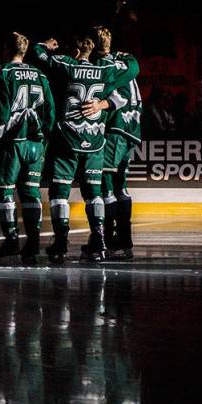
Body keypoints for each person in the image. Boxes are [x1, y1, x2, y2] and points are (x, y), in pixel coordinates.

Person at [34, 34, 137, 262]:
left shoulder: (67, 65)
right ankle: (100, 241)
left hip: (68, 138)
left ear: (76, 51)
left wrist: (45, 45)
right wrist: (103, 103)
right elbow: (129, 77)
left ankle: (60, 243)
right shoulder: (105, 70)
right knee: (94, 194)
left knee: (59, 192)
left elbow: (39, 55)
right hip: (95, 141)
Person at [0, 32, 56, 264]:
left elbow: (0, 111)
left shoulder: (2, 74)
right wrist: (42, 139)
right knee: (30, 192)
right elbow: (51, 112)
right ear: (24, 51)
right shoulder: (40, 75)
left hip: (10, 144)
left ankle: (12, 239)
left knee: (3, 191)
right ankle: (33, 242)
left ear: (7, 49)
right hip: (35, 144)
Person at [90, 26, 143, 259]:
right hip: (132, 129)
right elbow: (133, 69)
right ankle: (125, 242)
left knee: (107, 186)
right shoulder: (126, 60)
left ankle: (109, 242)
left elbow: (119, 96)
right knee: (121, 187)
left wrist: (101, 105)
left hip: (115, 130)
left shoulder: (104, 66)